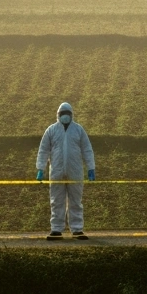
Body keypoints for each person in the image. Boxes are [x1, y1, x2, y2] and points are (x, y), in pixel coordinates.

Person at [36, 102, 95, 240]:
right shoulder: (51, 130)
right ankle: (56, 229)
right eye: (63, 114)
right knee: (56, 200)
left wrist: (91, 168)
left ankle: (77, 229)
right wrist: (40, 168)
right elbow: (43, 150)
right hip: (56, 171)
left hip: (75, 171)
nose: (65, 116)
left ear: (71, 115)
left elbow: (87, 149)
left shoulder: (78, 130)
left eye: (67, 114)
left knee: (76, 200)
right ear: (58, 115)